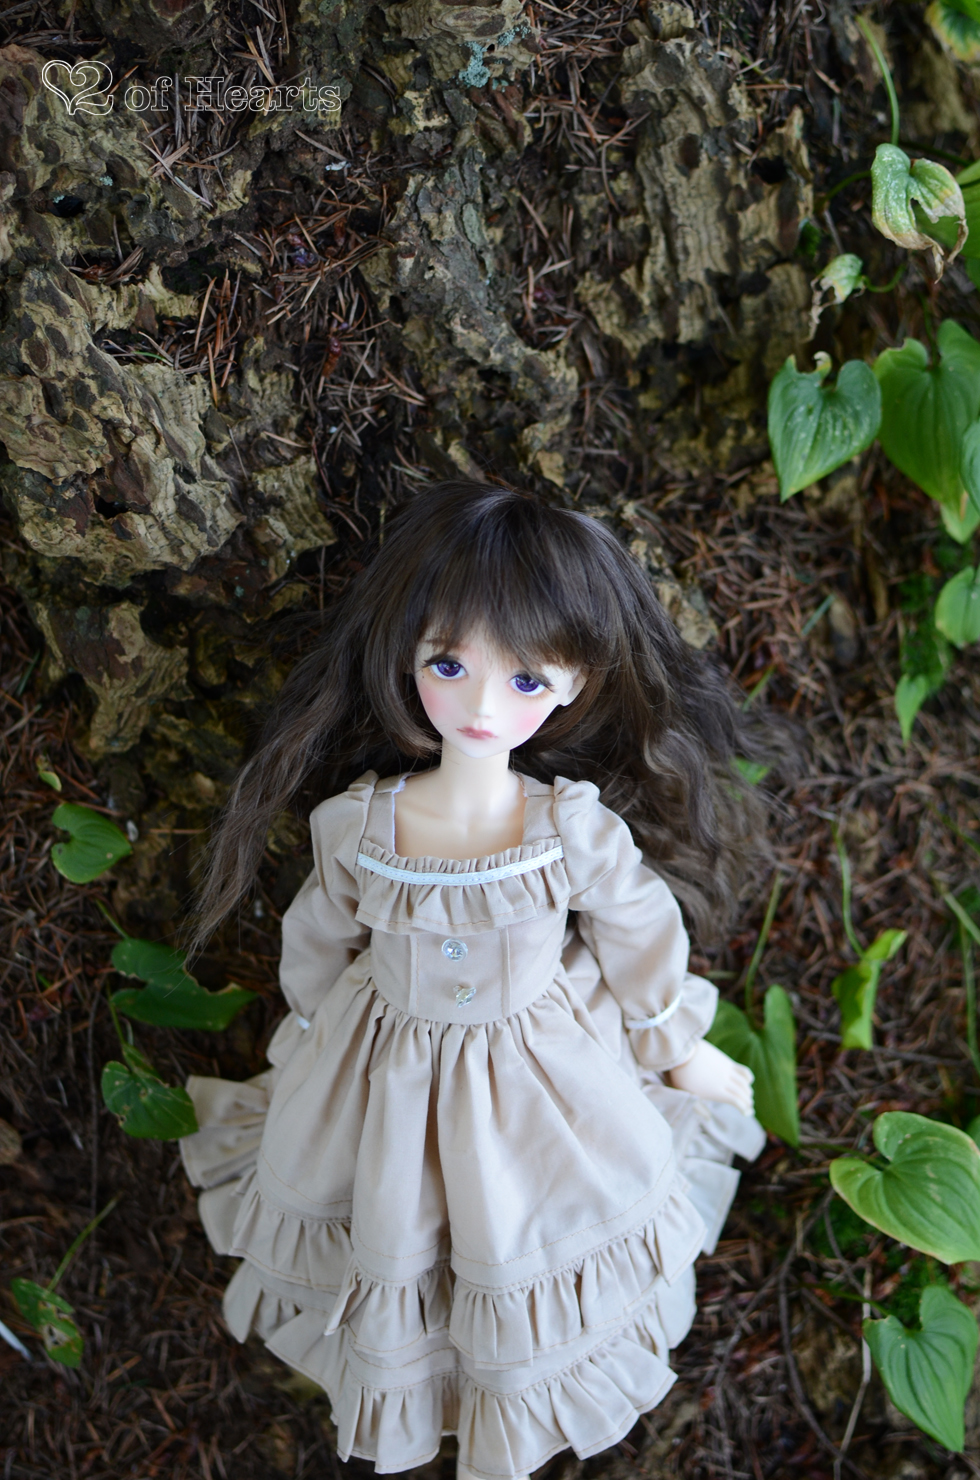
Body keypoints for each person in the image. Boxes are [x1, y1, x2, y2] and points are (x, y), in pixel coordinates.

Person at [179, 481, 769, 1480]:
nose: (485, 706)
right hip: (386, 1064)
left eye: (526, 679)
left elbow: (637, 927)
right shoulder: (360, 825)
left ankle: (504, 1396)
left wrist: (675, 1046)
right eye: (449, 665)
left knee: (522, 1229)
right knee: (391, 1220)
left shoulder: (566, 827)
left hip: (542, 1063)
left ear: (572, 685)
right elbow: (315, 936)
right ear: (406, 658)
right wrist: (311, 1032)